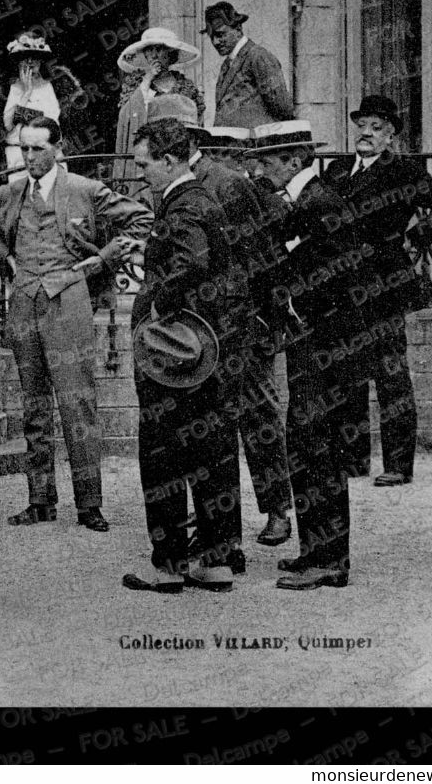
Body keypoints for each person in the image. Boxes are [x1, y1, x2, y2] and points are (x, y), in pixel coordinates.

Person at [0, 117, 151, 531]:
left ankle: (89, 505)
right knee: (33, 405)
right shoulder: (11, 193)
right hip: (24, 306)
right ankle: (40, 500)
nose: (28, 157)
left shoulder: (84, 190)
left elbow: (140, 219)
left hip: (69, 302)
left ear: (58, 149)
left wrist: (102, 259)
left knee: (77, 404)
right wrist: (8, 260)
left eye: (36, 149)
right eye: (23, 149)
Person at [148, 96, 295, 555]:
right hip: (195, 332)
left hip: (236, 323)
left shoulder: (226, 181)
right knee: (204, 427)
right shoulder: (168, 180)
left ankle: (276, 509)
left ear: (186, 136)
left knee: (256, 414)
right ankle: (212, 529)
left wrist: (261, 314)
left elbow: (263, 248)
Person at [120, 118, 248, 594]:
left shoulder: (185, 205)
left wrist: (158, 306)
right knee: (210, 450)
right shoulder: (201, 200)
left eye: (144, 163)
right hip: (206, 349)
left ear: (169, 160)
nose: (140, 173)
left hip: (178, 354)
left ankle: (169, 564)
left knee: (161, 453)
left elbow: (191, 262)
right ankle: (214, 562)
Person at [250, 120, 367, 591]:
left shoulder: (320, 203)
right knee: (305, 443)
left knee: (318, 446)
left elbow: (338, 277)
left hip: (328, 343)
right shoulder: (307, 202)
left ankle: (331, 560)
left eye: (270, 161)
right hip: (313, 341)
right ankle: (314, 550)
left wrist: (294, 303)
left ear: (295, 160)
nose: (263, 170)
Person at [320, 95, 432, 486]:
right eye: (362, 125)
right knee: (346, 371)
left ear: (390, 136)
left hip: (385, 284)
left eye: (377, 128)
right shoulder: (339, 170)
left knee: (390, 372)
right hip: (342, 285)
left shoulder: (403, 170)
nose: (367, 134)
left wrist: (416, 238)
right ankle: (353, 459)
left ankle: (397, 465)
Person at [0, 30, 87, 179]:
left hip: (50, 153)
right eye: (25, 58)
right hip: (19, 155)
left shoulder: (53, 86)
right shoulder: (8, 88)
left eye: (35, 58)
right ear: (18, 61)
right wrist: (26, 93)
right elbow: (7, 125)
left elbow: (54, 123)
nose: (30, 63)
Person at [113, 27, 204, 194]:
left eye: (159, 49)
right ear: (145, 55)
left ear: (170, 53)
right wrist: (147, 80)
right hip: (149, 154)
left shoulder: (186, 86)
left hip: (179, 155)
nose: (154, 55)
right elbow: (127, 118)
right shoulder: (135, 85)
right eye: (149, 50)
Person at [203, 1, 296, 130]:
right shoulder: (227, 64)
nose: (215, 42)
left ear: (238, 28)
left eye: (220, 34)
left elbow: (283, 107)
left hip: (255, 146)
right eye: (211, 37)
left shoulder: (258, 57)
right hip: (233, 147)